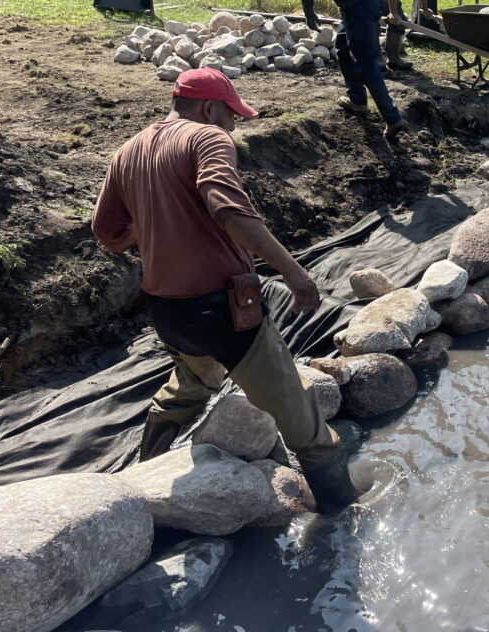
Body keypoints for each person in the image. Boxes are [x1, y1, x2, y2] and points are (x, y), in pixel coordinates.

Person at [91, 67, 362, 513]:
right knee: (298, 410)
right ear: (209, 107)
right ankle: (344, 511)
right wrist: (294, 272)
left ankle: (144, 479)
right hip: (223, 311)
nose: (233, 126)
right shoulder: (207, 138)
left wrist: (161, 227)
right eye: (231, 116)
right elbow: (228, 209)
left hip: (167, 312)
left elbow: (107, 230)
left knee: (193, 380)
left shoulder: (128, 150)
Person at [334, 0, 409, 141]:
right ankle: (357, 100)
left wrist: (394, 11)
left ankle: (393, 118)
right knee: (342, 48)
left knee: (366, 64)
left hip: (360, 9)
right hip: (354, 9)